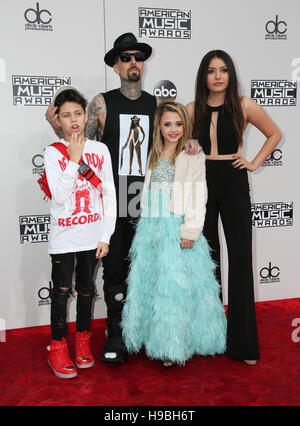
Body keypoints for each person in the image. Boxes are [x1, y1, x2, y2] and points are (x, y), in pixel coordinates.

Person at [46, 33, 200, 364]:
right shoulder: (101, 103)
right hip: (112, 199)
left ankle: (151, 333)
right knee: (114, 267)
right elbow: (78, 144)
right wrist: (58, 129)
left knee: (150, 268)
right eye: (126, 57)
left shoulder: (155, 104)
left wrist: (191, 143)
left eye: (138, 57)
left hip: (150, 199)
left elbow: (173, 137)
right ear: (116, 65)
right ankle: (116, 334)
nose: (133, 63)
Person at [186, 50, 281, 366]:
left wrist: (254, 162)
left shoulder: (243, 105)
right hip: (202, 183)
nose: (217, 76)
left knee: (240, 260)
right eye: (211, 70)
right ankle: (210, 338)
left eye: (223, 70)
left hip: (234, 182)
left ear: (230, 75)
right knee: (207, 262)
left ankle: (243, 345)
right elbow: (173, 140)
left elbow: (274, 133)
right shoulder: (191, 109)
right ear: (204, 76)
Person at [121, 101, 227, 367]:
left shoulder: (191, 153)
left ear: (186, 126)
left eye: (179, 124)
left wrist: (190, 229)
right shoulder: (153, 153)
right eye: (168, 123)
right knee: (151, 283)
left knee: (174, 287)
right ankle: (151, 337)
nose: (173, 129)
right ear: (159, 125)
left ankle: (173, 344)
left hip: (175, 224)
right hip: (150, 225)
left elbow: (196, 193)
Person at [44, 87, 116, 378]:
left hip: (92, 236)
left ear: (87, 116)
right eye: (66, 115)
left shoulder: (100, 150)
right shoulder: (52, 152)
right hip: (64, 237)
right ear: (57, 120)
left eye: (77, 113)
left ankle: (82, 340)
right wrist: (73, 158)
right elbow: (59, 196)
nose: (73, 120)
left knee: (86, 291)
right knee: (61, 293)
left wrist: (106, 235)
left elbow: (109, 192)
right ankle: (58, 347)